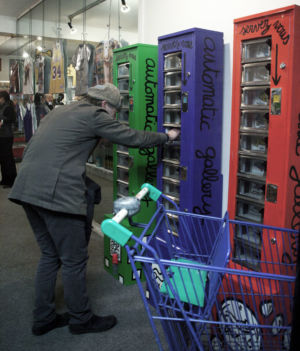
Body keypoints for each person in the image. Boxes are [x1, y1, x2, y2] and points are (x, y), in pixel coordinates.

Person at [8, 83, 180, 336]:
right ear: (104, 104)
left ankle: (43, 317)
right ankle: (81, 319)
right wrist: (168, 137)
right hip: (54, 194)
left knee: (50, 255)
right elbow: (132, 138)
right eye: (115, 112)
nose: (114, 117)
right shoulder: (95, 115)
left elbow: (54, 151)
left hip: (26, 189)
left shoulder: (61, 110)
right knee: (73, 260)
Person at [0, 90, 17, 188]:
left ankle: (11, 180)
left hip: (7, 136)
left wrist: (2, 120)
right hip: (2, 136)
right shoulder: (2, 107)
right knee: (2, 158)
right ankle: (5, 179)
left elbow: (10, 119)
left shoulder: (9, 108)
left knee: (7, 158)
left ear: (3, 98)